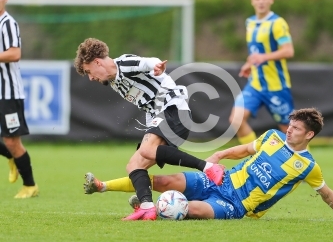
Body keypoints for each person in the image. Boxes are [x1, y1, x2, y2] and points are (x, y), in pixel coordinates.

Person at [84, 108, 333, 222]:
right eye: (289, 126)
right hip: (222, 181)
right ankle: (102, 186)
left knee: (187, 209)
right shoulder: (272, 137)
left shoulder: (308, 167)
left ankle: (154, 208)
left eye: (295, 129)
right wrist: (217, 157)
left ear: (309, 135)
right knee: (162, 182)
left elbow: (327, 194)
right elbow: (244, 149)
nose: (289, 131)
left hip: (236, 206)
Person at [74, 38, 224, 221]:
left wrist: (156, 66)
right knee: (134, 166)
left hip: (173, 108)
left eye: (89, 71)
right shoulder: (113, 81)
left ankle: (208, 167)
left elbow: (147, 62)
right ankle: (146, 207)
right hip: (164, 116)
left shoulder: (123, 63)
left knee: (146, 150)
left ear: (97, 62)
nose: (91, 78)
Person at [230, 0, 295, 146]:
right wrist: (249, 63)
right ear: (252, 1)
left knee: (289, 131)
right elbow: (254, 52)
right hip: (255, 85)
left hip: (276, 86)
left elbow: (288, 51)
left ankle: (303, 164)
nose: (261, 1)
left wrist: (263, 58)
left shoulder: (277, 23)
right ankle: (256, 156)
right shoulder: (249, 23)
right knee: (236, 120)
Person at [0, 0, 38, 198]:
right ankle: (10, 156)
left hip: (8, 93)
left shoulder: (8, 23)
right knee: (10, 144)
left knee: (12, 141)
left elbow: (15, 53)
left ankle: (30, 186)